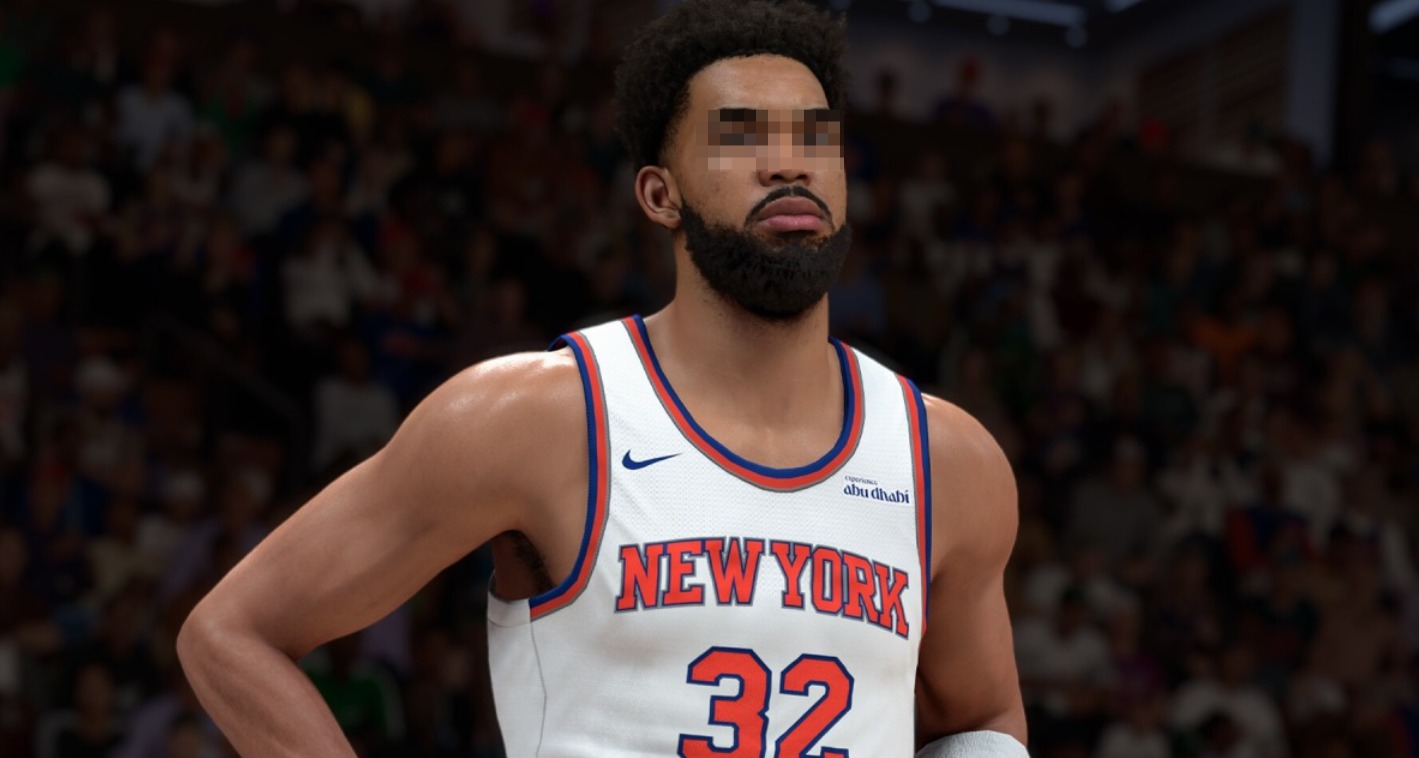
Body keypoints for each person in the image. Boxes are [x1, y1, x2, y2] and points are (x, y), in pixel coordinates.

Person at [175, 1, 1028, 755]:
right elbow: (232, 632)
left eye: (814, 136)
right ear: (659, 195)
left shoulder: (946, 459)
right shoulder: (534, 417)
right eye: (741, 135)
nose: (789, 164)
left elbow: (980, 719)